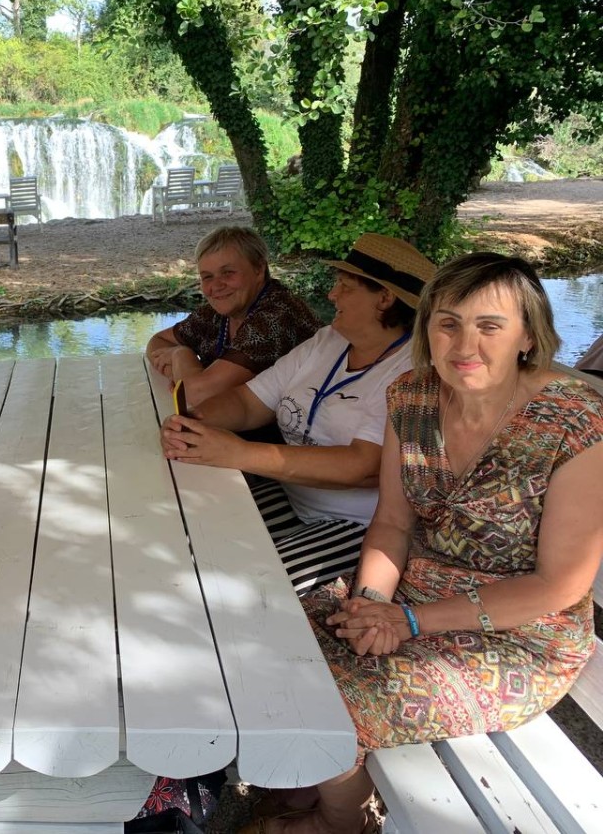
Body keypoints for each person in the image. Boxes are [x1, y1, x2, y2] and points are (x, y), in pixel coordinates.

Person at [245, 253, 603, 834]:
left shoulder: (573, 423)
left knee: (329, 702)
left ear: (528, 336)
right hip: (410, 598)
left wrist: (409, 621)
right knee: (263, 640)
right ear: (427, 328)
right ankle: (311, 783)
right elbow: (392, 523)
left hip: (519, 637)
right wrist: (369, 603)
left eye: (490, 326)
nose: (465, 344)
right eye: (448, 323)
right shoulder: (411, 397)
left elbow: (557, 586)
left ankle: (341, 822)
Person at [161, 233, 436, 594]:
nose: (332, 294)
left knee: (245, 585)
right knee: (184, 532)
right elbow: (247, 402)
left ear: (384, 298)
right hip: (292, 496)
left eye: (345, 286)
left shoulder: (412, 372)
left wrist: (238, 453)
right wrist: (194, 422)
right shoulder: (328, 341)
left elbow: (362, 465)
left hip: (357, 523)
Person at [145, 226, 320, 409]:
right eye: (207, 277)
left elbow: (199, 394)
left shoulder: (276, 315)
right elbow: (158, 341)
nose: (216, 286)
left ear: (259, 270)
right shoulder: (219, 312)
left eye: (228, 273)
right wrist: (188, 376)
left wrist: (180, 355)